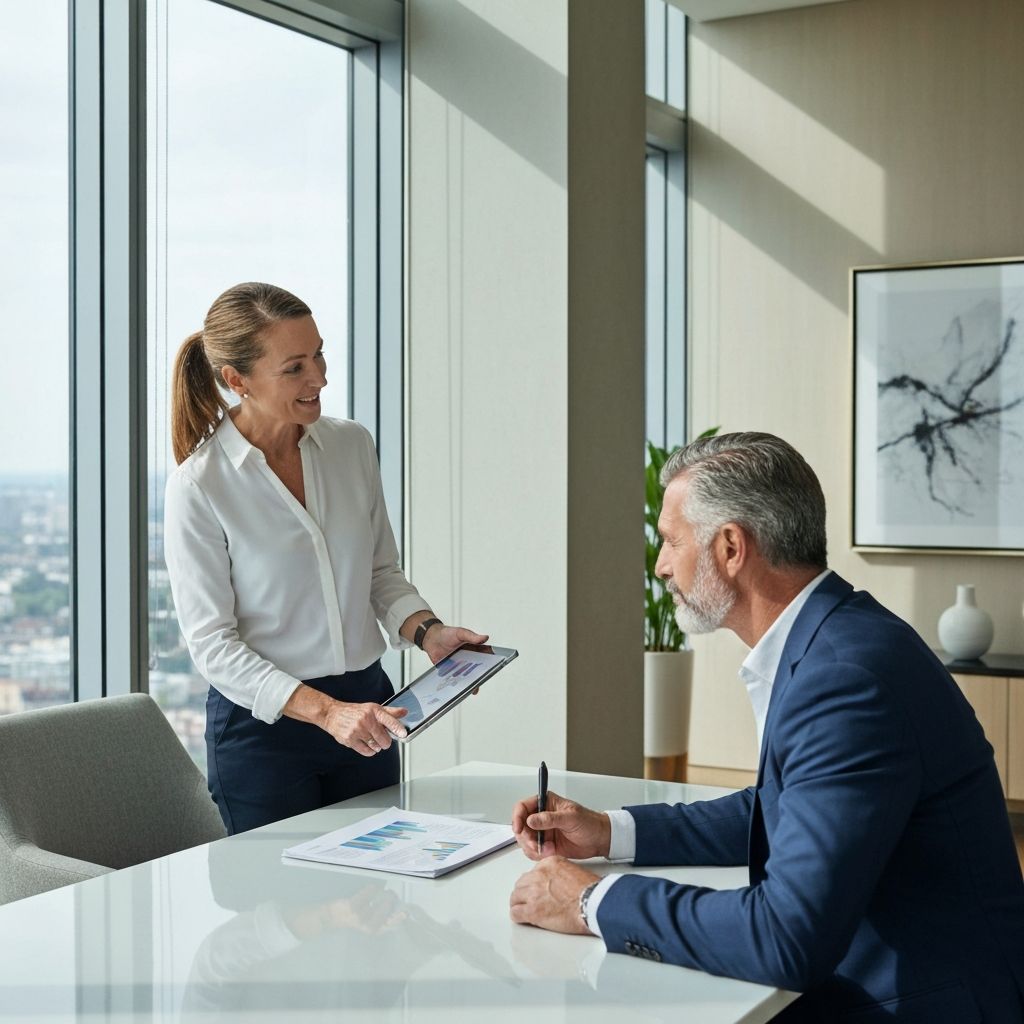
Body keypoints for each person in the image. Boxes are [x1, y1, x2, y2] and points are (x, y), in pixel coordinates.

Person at [509, 432, 1024, 1023]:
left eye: (672, 541)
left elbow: (787, 939)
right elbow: (782, 806)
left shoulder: (843, 678)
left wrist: (590, 901)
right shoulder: (839, 636)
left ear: (731, 547)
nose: (661, 566)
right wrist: (608, 832)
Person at [164, 281, 485, 834]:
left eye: (319, 354)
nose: (320, 378)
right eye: (294, 367)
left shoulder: (351, 445)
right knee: (278, 907)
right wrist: (327, 712)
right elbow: (213, 647)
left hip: (368, 708)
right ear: (236, 380)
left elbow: (380, 572)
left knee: (376, 898)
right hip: (265, 731)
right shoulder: (200, 485)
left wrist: (429, 631)